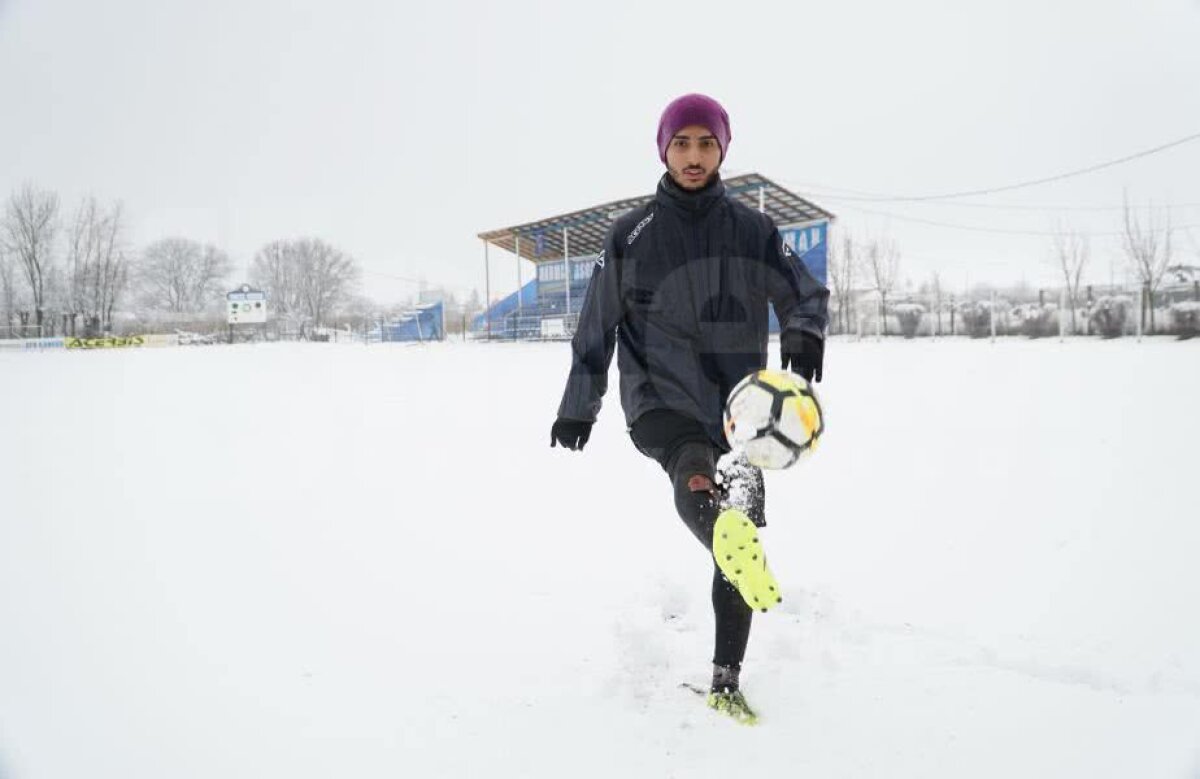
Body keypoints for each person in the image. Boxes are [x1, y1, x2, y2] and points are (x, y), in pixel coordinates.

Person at [549, 93, 829, 724]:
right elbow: (596, 325)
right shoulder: (631, 234)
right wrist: (578, 407)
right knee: (696, 470)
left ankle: (726, 676)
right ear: (663, 150)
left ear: (723, 149)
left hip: (743, 409)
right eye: (682, 144)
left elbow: (802, 292)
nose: (694, 156)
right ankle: (725, 668)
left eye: (706, 143)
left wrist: (804, 329)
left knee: (736, 535)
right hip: (659, 397)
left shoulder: (753, 231)